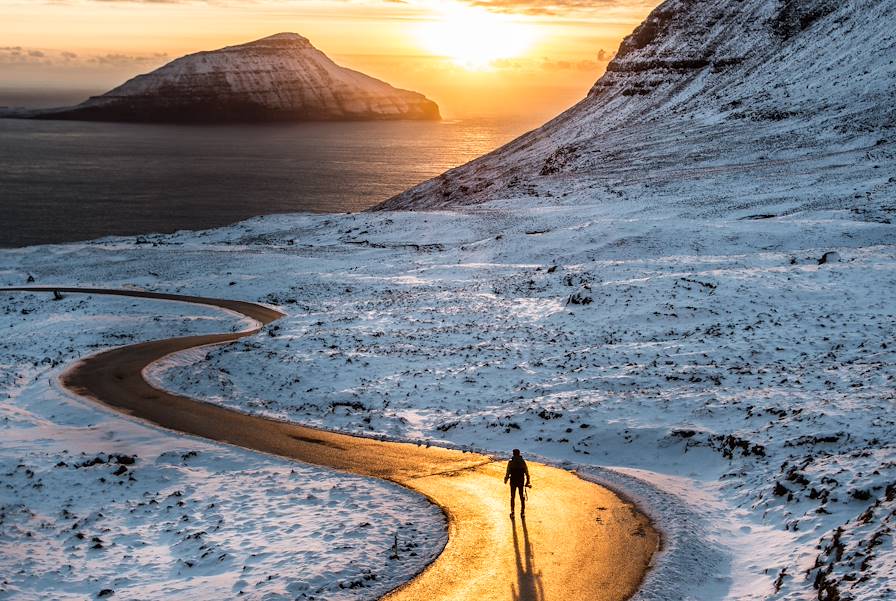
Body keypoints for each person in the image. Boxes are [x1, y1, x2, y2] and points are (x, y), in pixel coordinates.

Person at [504, 448, 531, 518]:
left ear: (513, 454)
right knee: (522, 497)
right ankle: (522, 513)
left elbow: (508, 472)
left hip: (513, 481)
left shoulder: (511, 462)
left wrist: (506, 479)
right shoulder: (522, 462)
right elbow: (527, 473)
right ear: (519, 453)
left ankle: (512, 512)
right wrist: (528, 481)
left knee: (512, 497)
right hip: (520, 481)